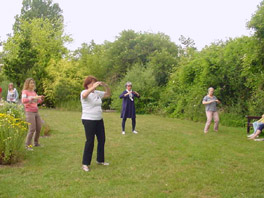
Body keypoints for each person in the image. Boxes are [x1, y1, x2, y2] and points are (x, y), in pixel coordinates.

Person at [81, 76, 111, 172]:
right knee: (90, 141)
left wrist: (106, 86)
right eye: (92, 82)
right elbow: (85, 95)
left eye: (95, 82)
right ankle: (85, 163)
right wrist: (93, 87)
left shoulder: (97, 93)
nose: (95, 84)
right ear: (88, 84)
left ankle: (100, 160)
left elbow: (108, 94)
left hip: (99, 119)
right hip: (88, 119)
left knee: (102, 139)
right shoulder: (84, 92)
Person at [21, 78, 44, 151]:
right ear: (27, 84)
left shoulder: (34, 92)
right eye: (31, 83)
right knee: (32, 129)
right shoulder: (25, 92)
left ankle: (36, 143)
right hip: (29, 112)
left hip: (36, 111)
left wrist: (41, 99)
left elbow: (37, 101)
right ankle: (28, 145)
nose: (32, 84)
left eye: (33, 83)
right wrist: (32, 98)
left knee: (39, 127)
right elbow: (23, 101)